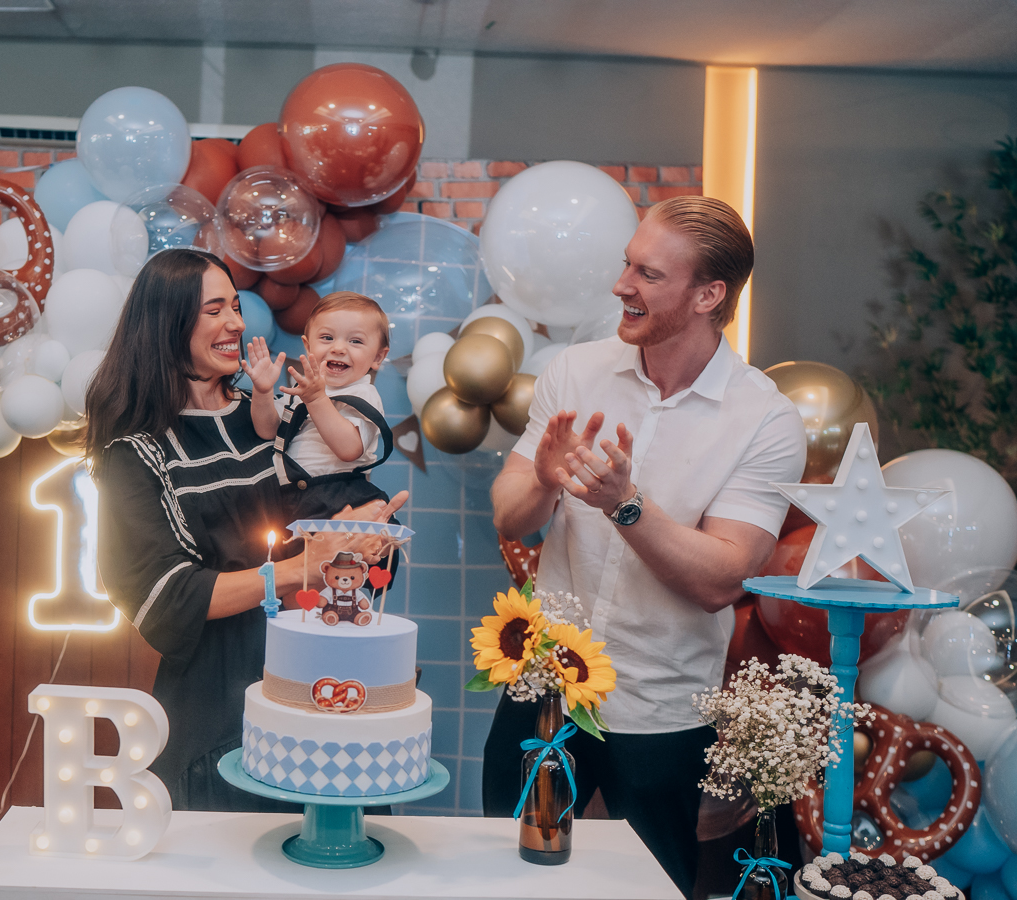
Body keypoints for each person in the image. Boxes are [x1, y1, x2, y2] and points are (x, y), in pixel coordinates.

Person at [485, 196, 806, 897]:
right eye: (627, 264)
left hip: (661, 712)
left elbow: (723, 577)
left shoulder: (765, 420)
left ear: (708, 295)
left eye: (648, 274)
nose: (620, 285)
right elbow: (510, 514)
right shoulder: (575, 372)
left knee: (652, 887)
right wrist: (543, 480)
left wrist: (624, 506)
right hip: (543, 690)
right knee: (506, 878)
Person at [85, 249, 407, 811]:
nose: (236, 322)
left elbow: (343, 509)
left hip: (324, 688)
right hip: (219, 708)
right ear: (167, 324)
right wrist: (302, 568)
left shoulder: (274, 413)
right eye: (215, 310)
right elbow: (163, 597)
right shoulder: (136, 454)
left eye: (235, 306)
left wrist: (375, 536)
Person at [240, 291, 392, 523]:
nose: (338, 348)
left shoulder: (363, 394)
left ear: (378, 357)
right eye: (327, 338)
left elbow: (349, 449)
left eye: (355, 341)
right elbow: (267, 431)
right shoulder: (303, 390)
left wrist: (316, 400)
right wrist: (263, 391)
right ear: (307, 346)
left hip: (339, 498)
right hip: (291, 498)